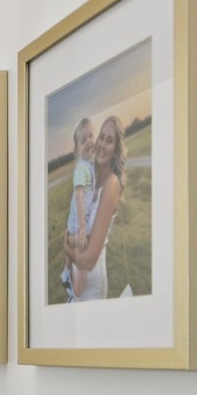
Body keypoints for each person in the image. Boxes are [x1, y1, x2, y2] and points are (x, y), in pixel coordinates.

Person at [64, 114, 125, 302]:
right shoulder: (91, 175)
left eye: (109, 141)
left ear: (115, 149)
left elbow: (89, 260)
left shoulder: (112, 183)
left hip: (92, 290)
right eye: (101, 137)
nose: (101, 144)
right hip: (78, 280)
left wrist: (67, 243)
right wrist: (71, 239)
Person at [59, 117, 96, 301]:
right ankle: (75, 295)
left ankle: (65, 272)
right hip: (78, 223)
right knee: (82, 264)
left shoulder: (89, 164)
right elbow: (79, 197)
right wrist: (82, 227)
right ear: (77, 148)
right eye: (84, 140)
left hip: (74, 220)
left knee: (72, 260)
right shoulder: (81, 168)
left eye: (91, 136)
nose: (89, 141)